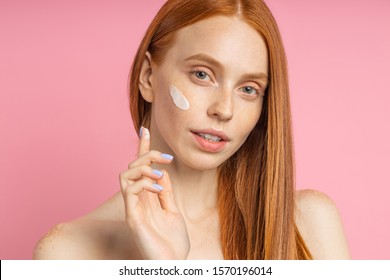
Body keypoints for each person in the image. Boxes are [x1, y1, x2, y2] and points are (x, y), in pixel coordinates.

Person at [33, 0, 350, 260]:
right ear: (147, 76)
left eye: (249, 89)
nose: (224, 109)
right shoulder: (68, 252)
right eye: (202, 74)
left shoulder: (309, 224)